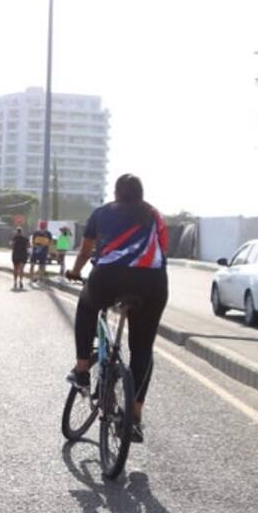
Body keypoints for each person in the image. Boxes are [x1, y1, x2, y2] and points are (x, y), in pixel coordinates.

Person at [65, 174, 169, 443]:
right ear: (141, 193)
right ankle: (134, 417)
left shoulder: (102, 213)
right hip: (152, 284)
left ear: (116, 192)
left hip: (108, 278)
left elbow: (86, 251)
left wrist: (75, 273)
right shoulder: (154, 215)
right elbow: (163, 248)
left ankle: (82, 370)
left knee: (87, 307)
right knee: (143, 348)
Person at [29, 220, 54, 285]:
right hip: (37, 251)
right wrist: (38, 246)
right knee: (34, 265)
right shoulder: (37, 233)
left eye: (43, 226)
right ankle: (34, 279)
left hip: (42, 251)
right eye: (42, 226)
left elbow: (50, 242)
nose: (42, 228)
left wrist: (44, 245)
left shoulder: (48, 234)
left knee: (40, 266)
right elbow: (33, 242)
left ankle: (39, 279)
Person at [9, 226, 29, 290]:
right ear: (22, 232)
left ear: (17, 232)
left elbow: (11, 245)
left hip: (16, 255)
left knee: (15, 268)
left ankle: (15, 281)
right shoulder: (25, 239)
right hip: (23, 255)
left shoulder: (14, 238)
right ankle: (20, 281)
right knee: (21, 269)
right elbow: (29, 246)